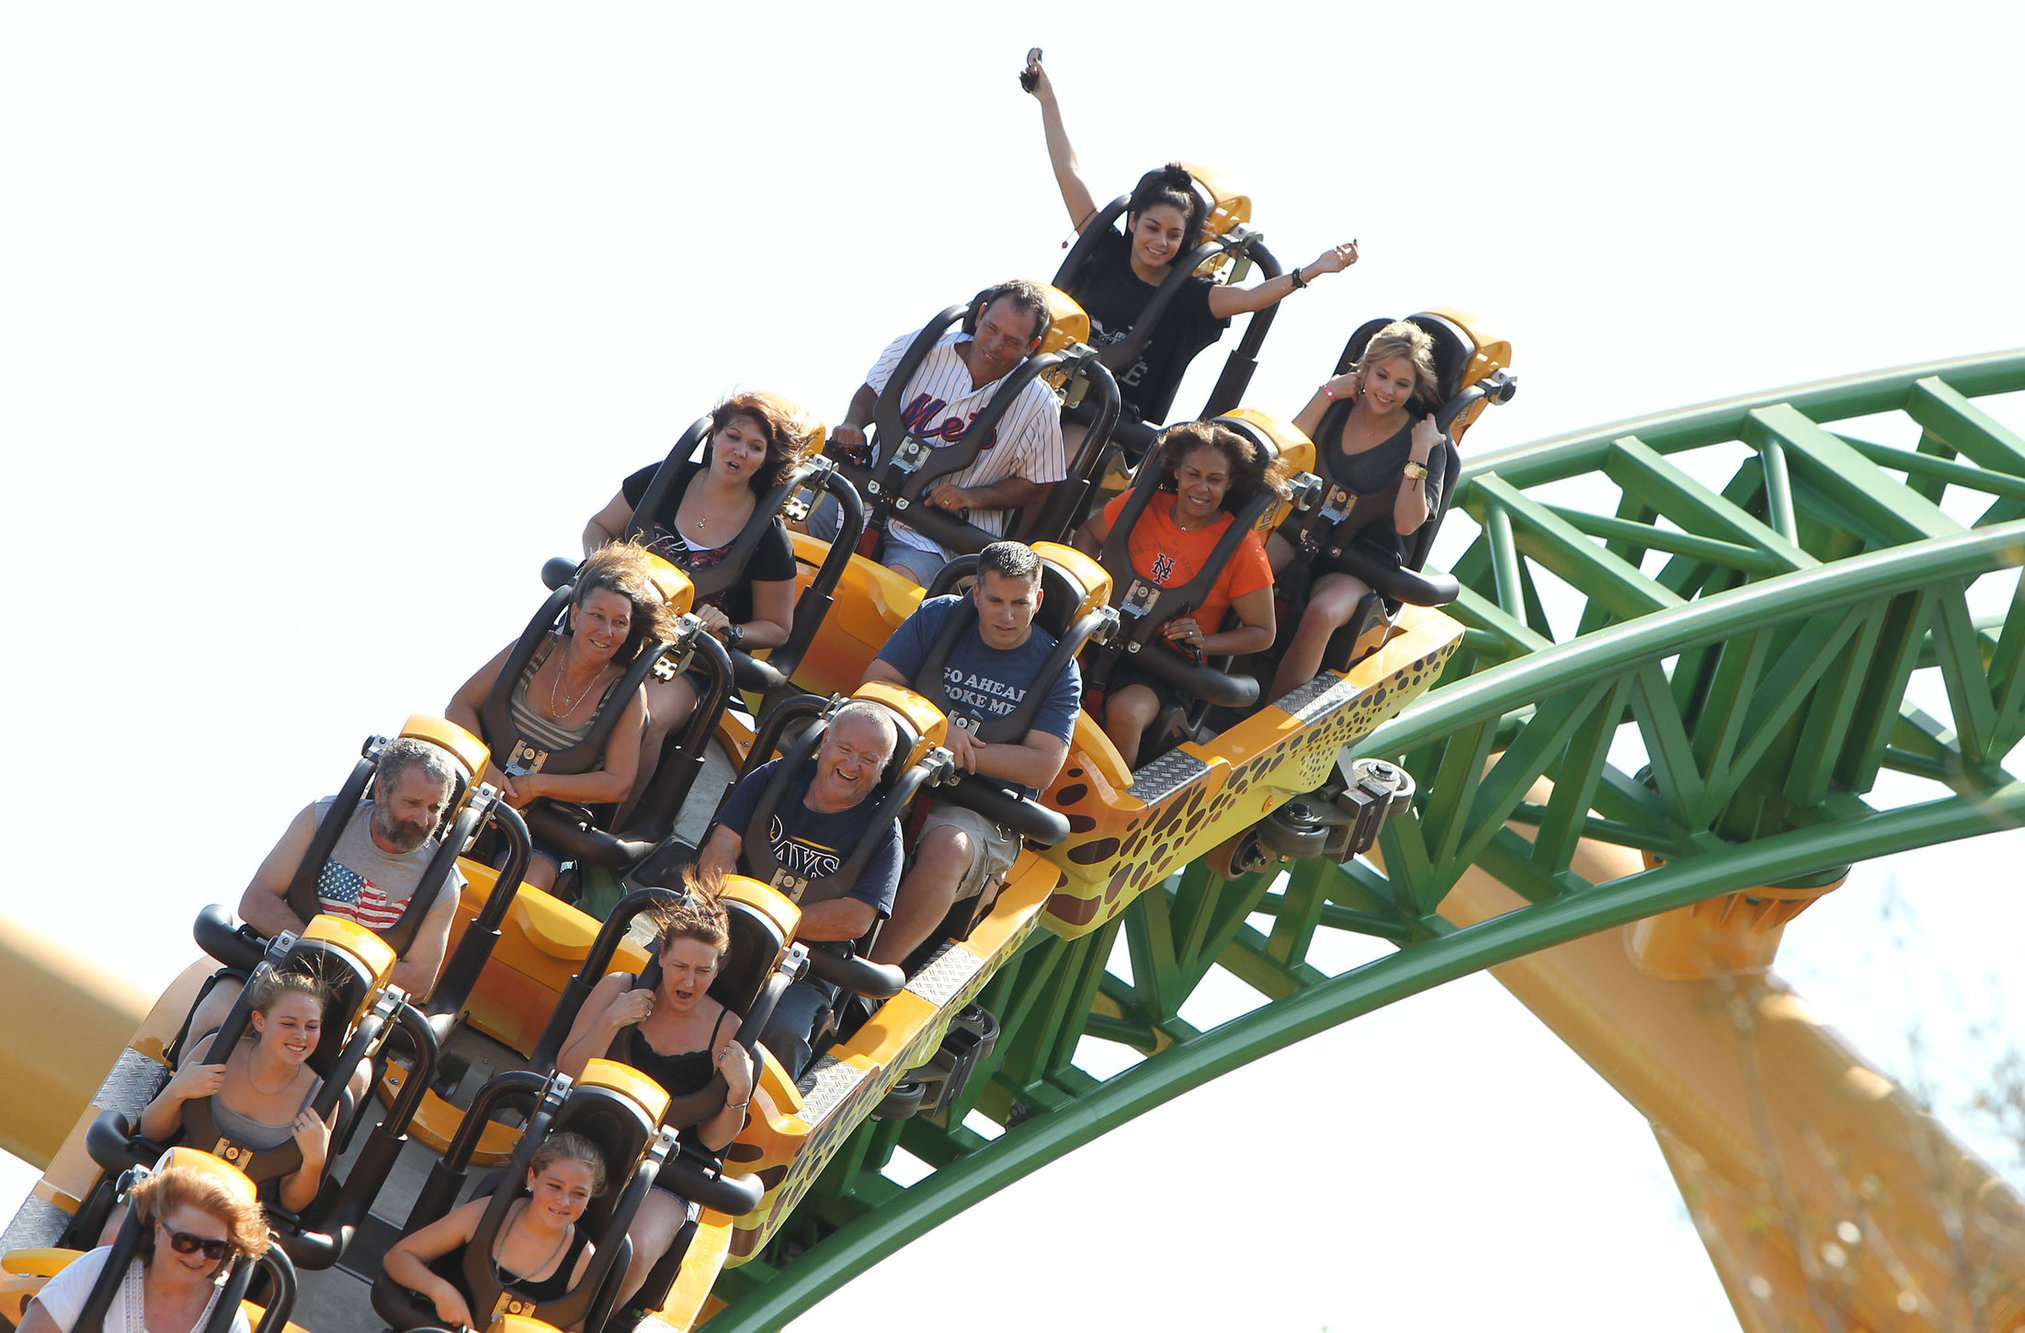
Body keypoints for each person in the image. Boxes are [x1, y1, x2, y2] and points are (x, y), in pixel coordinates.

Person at [1024, 54, 1357, 434]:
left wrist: (1310, 271)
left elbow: (1250, 297)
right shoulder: (1108, 249)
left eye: (1173, 234)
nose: (1160, 242)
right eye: (1152, 228)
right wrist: (1047, 101)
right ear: (1133, 221)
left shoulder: (1188, 295)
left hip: (1105, 424)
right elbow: (1069, 172)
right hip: (1041, 390)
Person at [580, 393, 818, 821]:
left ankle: (599, 834)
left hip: (685, 660)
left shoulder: (768, 535)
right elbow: (599, 528)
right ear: (714, 437)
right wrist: (607, 573)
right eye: (734, 436)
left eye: (755, 446)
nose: (739, 451)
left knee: (642, 718)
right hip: (613, 627)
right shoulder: (663, 479)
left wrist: (733, 630)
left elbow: (778, 627)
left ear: (764, 460)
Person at [861, 541, 1081, 965]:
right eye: (995, 600)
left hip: (982, 808)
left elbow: (1042, 765)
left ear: (1037, 600)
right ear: (976, 594)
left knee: (951, 846)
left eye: (1020, 603)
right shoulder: (938, 616)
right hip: (901, 767)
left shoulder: (1057, 667)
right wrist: (938, 730)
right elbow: (877, 684)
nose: (1007, 616)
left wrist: (962, 750)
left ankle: (868, 979)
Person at [185, 736, 466, 1046]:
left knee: (353, 1084)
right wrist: (318, 955)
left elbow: (420, 978)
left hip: (348, 1011)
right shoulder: (322, 818)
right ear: (381, 791)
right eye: (412, 804)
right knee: (213, 1024)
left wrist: (334, 978)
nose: (423, 819)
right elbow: (257, 901)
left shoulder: (444, 882)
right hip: (274, 970)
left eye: (434, 808)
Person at [554, 880, 754, 1309]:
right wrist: (610, 1021)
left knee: (634, 1248)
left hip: (668, 1171)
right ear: (660, 955)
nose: (688, 980)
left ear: (717, 971)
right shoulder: (619, 988)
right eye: (680, 965)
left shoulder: (728, 1030)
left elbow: (715, 1141)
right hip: (594, 1138)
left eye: (703, 971)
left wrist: (739, 1091)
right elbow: (567, 1070)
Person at [447, 541, 675, 889]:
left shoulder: (627, 694)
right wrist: (488, 771)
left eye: (619, 623)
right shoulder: (536, 649)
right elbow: (460, 705)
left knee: (519, 885)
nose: (606, 632)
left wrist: (535, 785)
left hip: (549, 825)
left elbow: (618, 782)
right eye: (597, 616)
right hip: (479, 789)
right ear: (574, 614)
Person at [697, 700, 904, 1078]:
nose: (852, 766)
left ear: (883, 768)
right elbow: (721, 848)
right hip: (723, 925)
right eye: (845, 749)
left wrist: (771, 928)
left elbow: (856, 918)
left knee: (783, 1033)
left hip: (806, 963)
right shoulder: (774, 779)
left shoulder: (883, 833)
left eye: (868, 759)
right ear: (825, 742)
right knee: (652, 970)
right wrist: (730, 915)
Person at [814, 279, 1068, 585]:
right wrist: (853, 424)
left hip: (936, 531)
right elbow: (871, 393)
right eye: (991, 329)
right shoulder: (922, 347)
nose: (995, 345)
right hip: (865, 492)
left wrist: (973, 497)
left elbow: (1037, 483)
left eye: (1013, 341)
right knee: (796, 536)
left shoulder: (1038, 403)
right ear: (980, 315)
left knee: (893, 590)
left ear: (1033, 346)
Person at [1074, 421, 1285, 766]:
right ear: (1176, 472)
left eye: (1215, 480)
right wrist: (1087, 588)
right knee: (1058, 671)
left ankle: (1110, 803)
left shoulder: (1241, 547)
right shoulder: (1142, 505)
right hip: (1100, 633)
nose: (1201, 488)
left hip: (1162, 666)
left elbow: (1263, 633)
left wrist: (1203, 641)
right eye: (1193, 474)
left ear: (1230, 483)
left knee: (1126, 712)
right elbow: (1088, 533)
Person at [1265, 320, 1450, 702]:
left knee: (1323, 612)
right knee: (1246, 565)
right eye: (1382, 375)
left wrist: (1418, 453)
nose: (1388, 390)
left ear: (1415, 390)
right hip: (1302, 532)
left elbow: (1407, 521)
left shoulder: (1426, 444)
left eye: (1402, 384)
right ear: (1363, 370)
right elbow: (1285, 461)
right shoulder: (1335, 410)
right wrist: (1324, 396)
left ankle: (1270, 718)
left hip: (1360, 562)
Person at [136, 971, 336, 1214]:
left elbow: (292, 1203)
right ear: (260, 1021)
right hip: (175, 1183)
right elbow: (151, 1132)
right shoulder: (216, 1051)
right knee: (116, 1231)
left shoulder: (320, 1099)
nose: (301, 1036)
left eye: (312, 1027)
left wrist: (314, 1162)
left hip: (241, 1214)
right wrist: (177, 1090)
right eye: (288, 1024)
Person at [381, 1131, 604, 1332]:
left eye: (578, 1194)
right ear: (532, 1178)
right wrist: (439, 1291)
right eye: (554, 1186)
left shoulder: (583, 1258)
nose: (564, 1201)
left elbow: (574, 1327)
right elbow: (398, 1257)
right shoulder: (486, 1214)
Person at [22, 1161, 269, 1333]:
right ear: (159, 1229)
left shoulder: (227, 1320)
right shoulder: (101, 1269)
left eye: (214, 1248)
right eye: (186, 1242)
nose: (198, 1256)